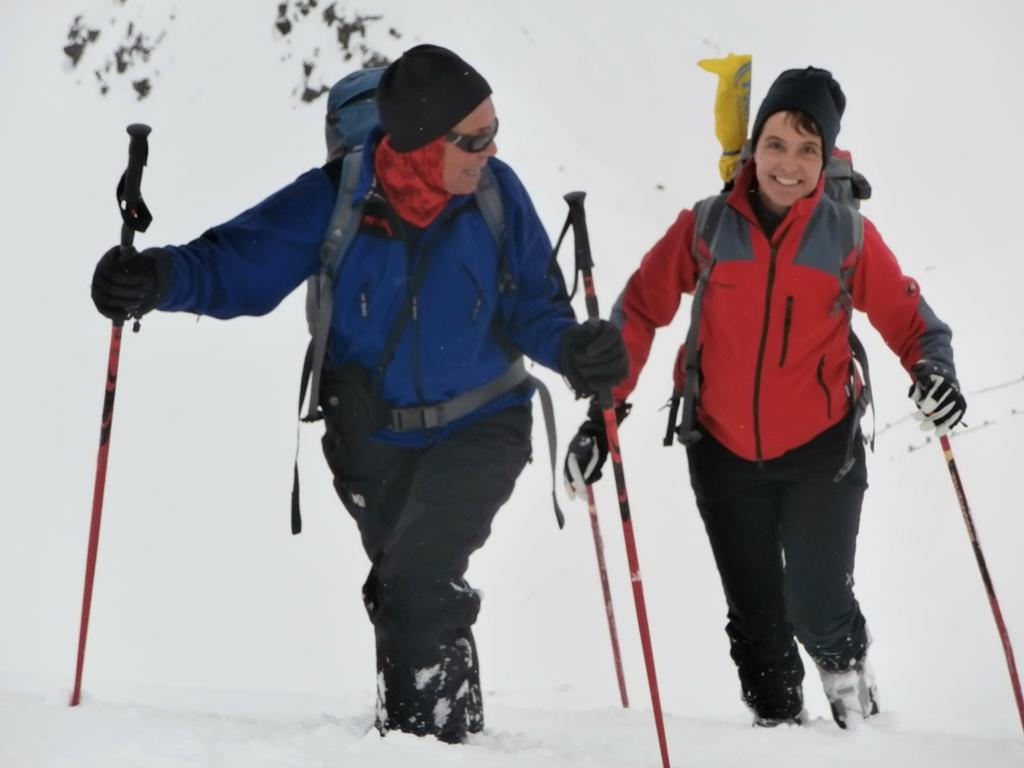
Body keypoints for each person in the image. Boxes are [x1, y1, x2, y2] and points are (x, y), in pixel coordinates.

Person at [91, 44, 628, 744]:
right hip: (370, 440)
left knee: (417, 581)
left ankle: (419, 748)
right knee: (405, 589)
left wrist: (574, 351)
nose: (491, 151)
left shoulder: (496, 194)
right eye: (475, 138)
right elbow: (238, 266)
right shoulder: (338, 197)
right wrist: (155, 279)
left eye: (496, 131)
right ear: (420, 142)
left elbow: (535, 307)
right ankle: (450, 736)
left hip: (484, 424)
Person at [563, 66, 966, 728]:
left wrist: (936, 372)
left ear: (825, 158)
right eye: (777, 143)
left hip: (821, 448)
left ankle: (858, 722)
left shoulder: (846, 237)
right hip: (720, 448)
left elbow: (914, 323)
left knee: (817, 602)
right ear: (753, 146)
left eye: (809, 149)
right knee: (756, 616)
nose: (789, 163)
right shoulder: (706, 227)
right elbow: (640, 310)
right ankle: (774, 735)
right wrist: (602, 414)